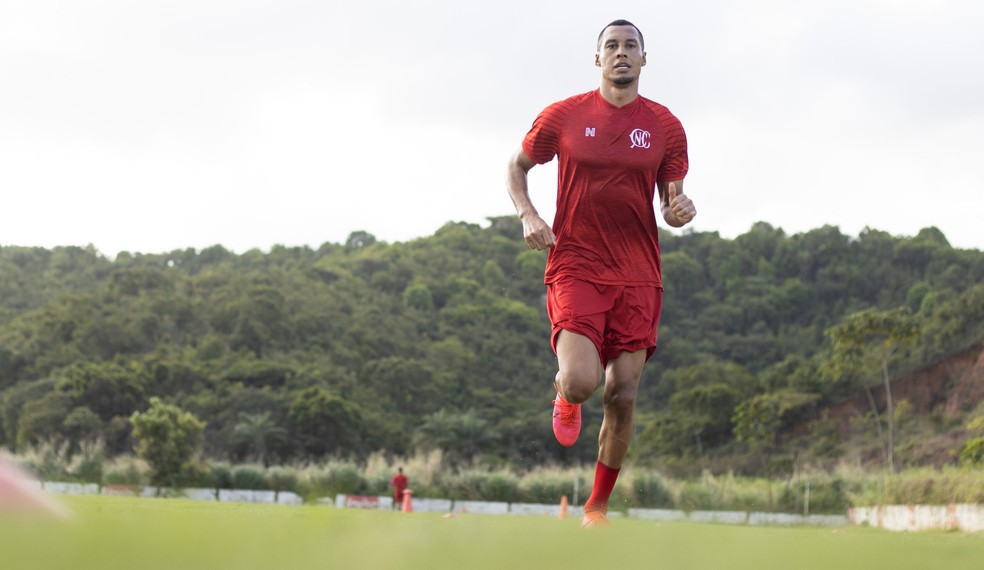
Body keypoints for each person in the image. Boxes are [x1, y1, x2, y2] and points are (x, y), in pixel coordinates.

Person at [505, 19, 696, 528]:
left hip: (637, 274)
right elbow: (516, 166)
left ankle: (596, 506)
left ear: (643, 58)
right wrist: (529, 214)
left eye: (630, 45)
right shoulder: (564, 116)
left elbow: (670, 200)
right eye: (611, 46)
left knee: (624, 394)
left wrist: (677, 210)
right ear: (597, 59)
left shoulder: (665, 126)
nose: (621, 53)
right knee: (584, 380)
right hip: (577, 264)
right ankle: (564, 395)